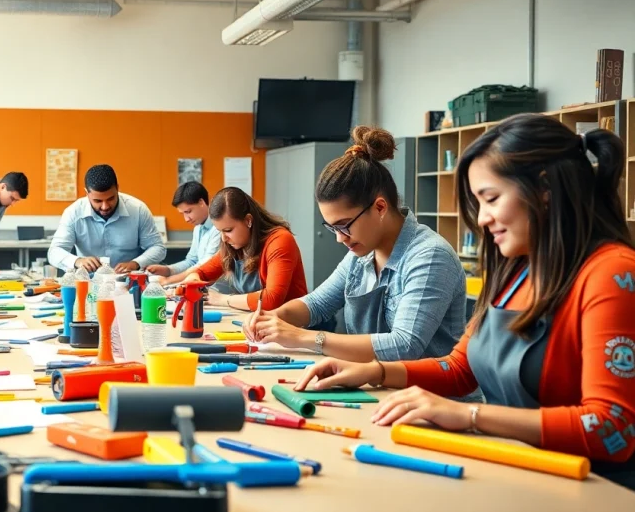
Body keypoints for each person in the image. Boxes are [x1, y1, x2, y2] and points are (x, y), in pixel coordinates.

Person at [296, 115, 635, 489]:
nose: (483, 219)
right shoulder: (515, 269)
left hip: (593, 488)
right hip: (520, 468)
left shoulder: (612, 274)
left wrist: (470, 415)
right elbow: (459, 368)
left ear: (544, 190)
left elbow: (611, 429)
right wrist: (374, 372)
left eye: (491, 199)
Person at [246, 126, 468, 363]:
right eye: (332, 227)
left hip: (432, 397)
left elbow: (404, 345)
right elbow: (317, 304)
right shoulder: (361, 255)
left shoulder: (430, 256)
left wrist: (303, 337)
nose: (339, 238)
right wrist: (274, 318)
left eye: (344, 225)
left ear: (380, 207)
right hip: (379, 387)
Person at [185, 187, 307, 311]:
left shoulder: (280, 240)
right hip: (259, 322)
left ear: (248, 220)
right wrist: (193, 281)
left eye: (228, 230)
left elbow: (271, 299)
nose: (224, 238)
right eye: (219, 231)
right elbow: (201, 273)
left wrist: (222, 299)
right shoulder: (234, 245)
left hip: (290, 325)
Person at [48, 164, 166, 274]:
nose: (105, 206)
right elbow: (54, 252)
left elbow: (158, 248)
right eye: (98, 201)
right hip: (89, 282)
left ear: (117, 188)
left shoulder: (138, 210)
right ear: (87, 193)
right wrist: (77, 261)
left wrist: (136, 263)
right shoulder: (73, 213)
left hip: (129, 281)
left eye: (110, 198)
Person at [146, 181, 222, 285]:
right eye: (182, 214)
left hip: (215, 288)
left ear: (201, 202)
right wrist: (168, 270)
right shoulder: (198, 228)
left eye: (188, 211)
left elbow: (204, 265)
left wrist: (168, 280)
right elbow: (191, 261)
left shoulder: (219, 228)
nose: (186, 219)